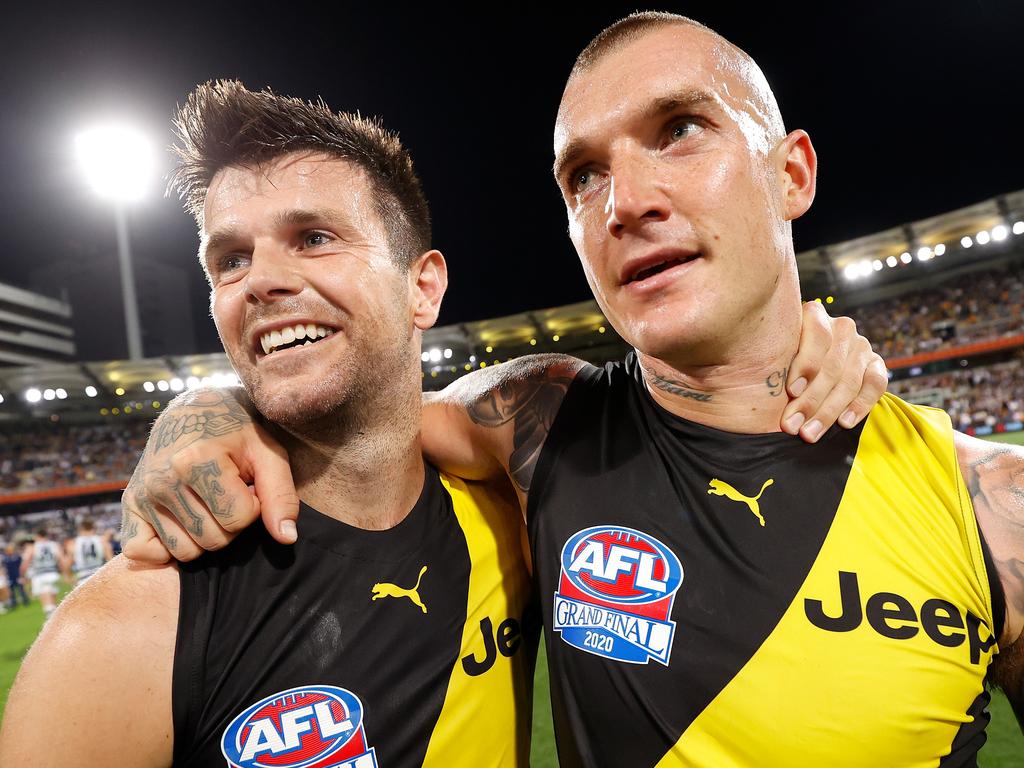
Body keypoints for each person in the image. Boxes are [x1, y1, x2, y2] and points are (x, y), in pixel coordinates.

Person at [114, 12, 1023, 767]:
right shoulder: (543, 420)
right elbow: (352, 407)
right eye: (583, 175)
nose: (625, 199)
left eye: (679, 130)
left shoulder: (992, 504)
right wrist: (199, 413)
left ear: (791, 174)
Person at [0, 82, 537, 767]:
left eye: (313, 238)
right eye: (230, 260)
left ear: (421, 287)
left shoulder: (516, 516)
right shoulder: (120, 633)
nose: (260, 280)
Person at [20, 528, 64, 618]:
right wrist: (64, 572)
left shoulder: (33, 547)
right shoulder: (54, 545)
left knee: (45, 599)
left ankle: (50, 618)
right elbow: (61, 558)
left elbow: (25, 563)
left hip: (40, 574)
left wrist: (22, 575)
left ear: (37, 536)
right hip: (53, 573)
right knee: (52, 596)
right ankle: (55, 616)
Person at [68, 518, 112, 584]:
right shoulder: (102, 540)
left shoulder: (73, 543)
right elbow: (110, 560)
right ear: (93, 528)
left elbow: (67, 563)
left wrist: (70, 576)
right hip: (99, 574)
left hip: (82, 576)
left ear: (80, 529)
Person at [2, 541, 28, 609]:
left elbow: (21, 566)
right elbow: (5, 569)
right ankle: (14, 604)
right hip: (10, 577)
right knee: (12, 592)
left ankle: (25, 601)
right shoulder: (5, 559)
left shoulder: (17, 557)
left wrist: (22, 576)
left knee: (21, 590)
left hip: (18, 575)